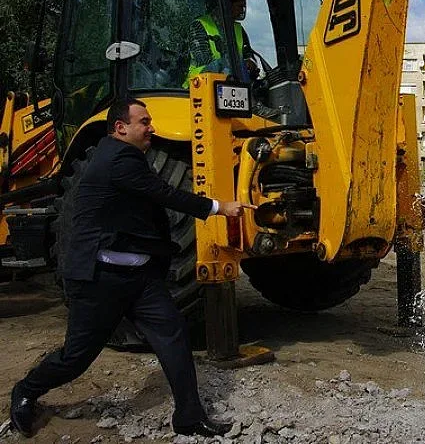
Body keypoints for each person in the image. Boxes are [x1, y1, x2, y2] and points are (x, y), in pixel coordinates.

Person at [9, 98, 252, 438]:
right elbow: (164, 193)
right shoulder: (117, 157)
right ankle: (26, 391)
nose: (151, 127)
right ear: (121, 128)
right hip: (100, 281)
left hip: (140, 279)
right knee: (76, 358)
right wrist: (219, 207)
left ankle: (188, 416)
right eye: (144, 121)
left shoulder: (127, 158)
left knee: (173, 335)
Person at [184, 0, 259, 87]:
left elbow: (248, 54)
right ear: (226, 5)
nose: (242, 11)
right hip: (198, 86)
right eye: (239, 6)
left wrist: (250, 62)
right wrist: (235, 64)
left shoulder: (239, 30)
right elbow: (203, 60)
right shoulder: (199, 26)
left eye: (244, 7)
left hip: (229, 84)